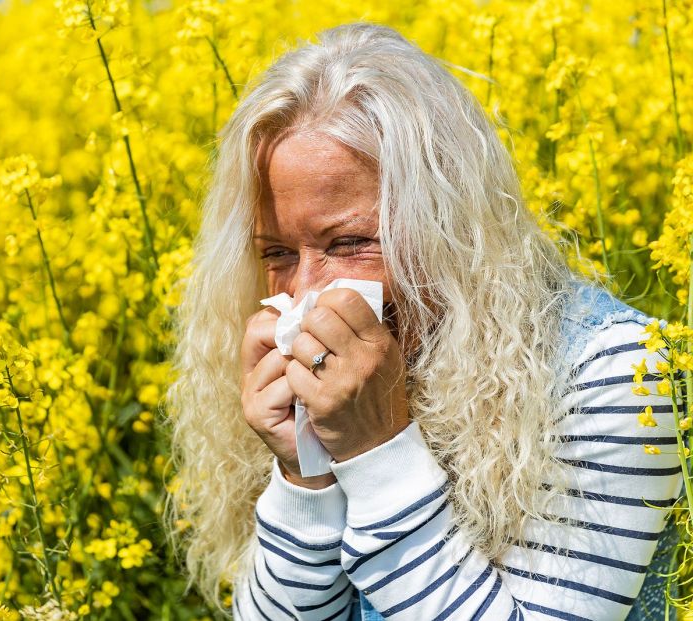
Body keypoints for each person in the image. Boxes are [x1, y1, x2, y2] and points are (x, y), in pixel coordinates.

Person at [163, 22, 683, 620]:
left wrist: (378, 452)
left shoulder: (617, 374)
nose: (305, 292)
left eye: (349, 241)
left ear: (452, 228)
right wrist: (305, 472)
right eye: (276, 253)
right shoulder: (347, 389)